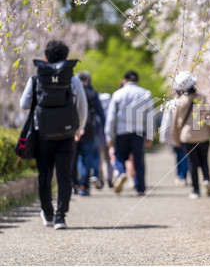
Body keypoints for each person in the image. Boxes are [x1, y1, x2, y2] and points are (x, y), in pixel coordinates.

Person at [20, 40, 88, 229]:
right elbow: (82, 107)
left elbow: (23, 104)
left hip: (42, 134)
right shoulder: (72, 79)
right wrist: (78, 129)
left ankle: (47, 213)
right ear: (66, 58)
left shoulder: (37, 79)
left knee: (44, 175)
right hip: (66, 134)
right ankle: (60, 217)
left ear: (46, 58)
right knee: (65, 176)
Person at [104, 70, 153, 196]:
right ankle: (140, 187)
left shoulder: (117, 94)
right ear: (137, 80)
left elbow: (111, 117)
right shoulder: (145, 94)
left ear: (125, 80)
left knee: (119, 156)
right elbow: (149, 116)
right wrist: (149, 135)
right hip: (138, 131)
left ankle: (121, 174)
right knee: (138, 160)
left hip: (121, 131)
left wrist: (109, 135)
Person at [172, 71, 210, 199]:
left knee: (192, 163)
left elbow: (174, 122)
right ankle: (207, 180)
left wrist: (175, 138)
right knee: (204, 160)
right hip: (203, 134)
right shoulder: (202, 98)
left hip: (187, 136)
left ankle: (196, 190)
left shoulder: (180, 101)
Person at [72, 71, 105, 196]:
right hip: (89, 131)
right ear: (87, 81)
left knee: (73, 160)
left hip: (73, 131)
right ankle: (83, 186)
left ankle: (74, 184)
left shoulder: (72, 93)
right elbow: (100, 114)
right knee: (87, 160)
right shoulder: (92, 94)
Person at [159, 89, 189, 187]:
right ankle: (182, 176)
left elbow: (166, 122)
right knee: (184, 155)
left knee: (178, 155)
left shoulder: (171, 104)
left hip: (174, 133)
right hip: (186, 133)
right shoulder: (189, 101)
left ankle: (180, 176)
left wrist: (164, 136)